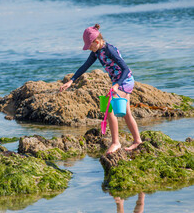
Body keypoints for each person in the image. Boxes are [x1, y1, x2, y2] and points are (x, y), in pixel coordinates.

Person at [59, 24, 142, 154]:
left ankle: (116, 143)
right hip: (120, 82)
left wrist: (117, 84)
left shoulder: (109, 50)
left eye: (90, 46)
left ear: (97, 41)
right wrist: (71, 80)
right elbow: (85, 66)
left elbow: (125, 69)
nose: (89, 49)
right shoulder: (97, 52)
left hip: (125, 81)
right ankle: (137, 141)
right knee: (126, 113)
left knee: (109, 107)